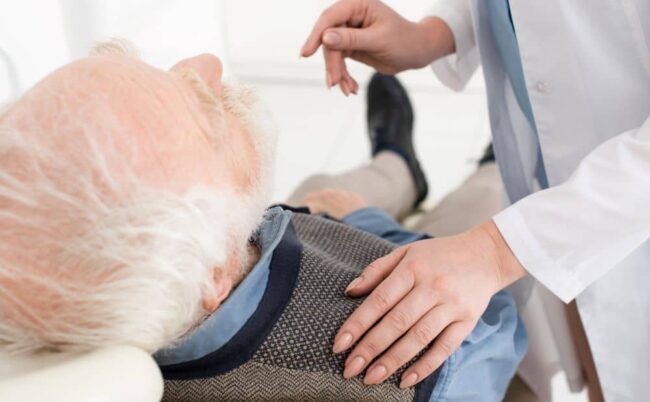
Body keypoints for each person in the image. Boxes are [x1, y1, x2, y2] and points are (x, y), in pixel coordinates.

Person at [0, 41, 525, 401]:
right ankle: (485, 167)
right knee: (476, 204)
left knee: (318, 186)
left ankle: (397, 165)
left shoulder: (145, 284)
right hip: (422, 289)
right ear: (216, 269)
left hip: (298, 234)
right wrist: (369, 224)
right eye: (207, 113)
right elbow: (494, 322)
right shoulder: (389, 369)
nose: (205, 62)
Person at [300, 1, 650, 401]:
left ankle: (401, 161)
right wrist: (431, 35)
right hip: (566, 189)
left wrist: (494, 251)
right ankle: (412, 162)